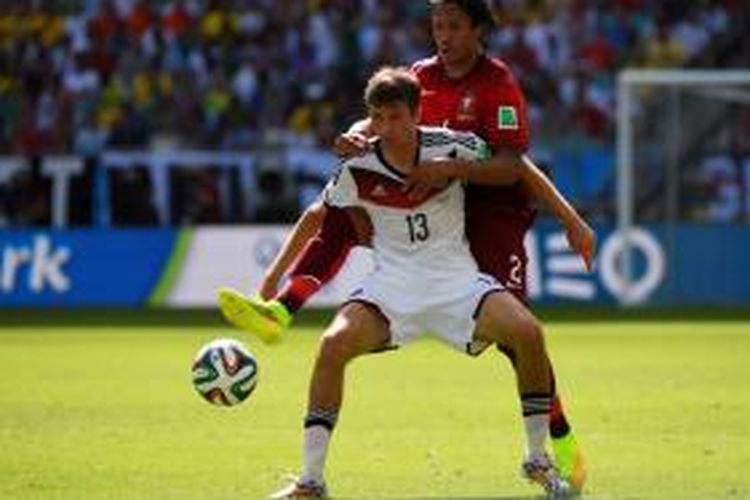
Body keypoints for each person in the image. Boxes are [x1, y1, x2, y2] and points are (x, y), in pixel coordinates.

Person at [219, 0, 591, 491]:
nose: (444, 35)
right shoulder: (414, 82)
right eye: (437, 25)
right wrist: (356, 137)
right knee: (343, 223)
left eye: (455, 25)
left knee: (521, 339)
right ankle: (286, 323)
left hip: (486, 216)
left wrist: (568, 218)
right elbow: (337, 184)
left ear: (479, 29)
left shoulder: (494, 86)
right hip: (400, 263)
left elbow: (512, 165)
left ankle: (553, 443)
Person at [267, 66, 570, 498]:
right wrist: (284, 278)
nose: (387, 128)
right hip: (391, 289)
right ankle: (311, 482)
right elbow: (329, 214)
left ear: (416, 113)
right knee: (332, 346)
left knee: (528, 333)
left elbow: (512, 166)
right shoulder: (357, 165)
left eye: (396, 117)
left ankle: (538, 460)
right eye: (379, 118)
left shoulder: (452, 146)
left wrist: (569, 220)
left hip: (457, 282)